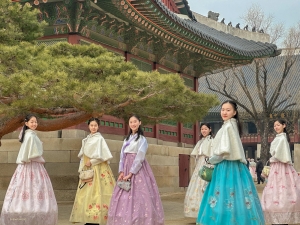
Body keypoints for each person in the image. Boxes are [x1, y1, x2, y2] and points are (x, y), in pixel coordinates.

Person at [196, 100, 264, 225]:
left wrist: (211, 160)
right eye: (222, 109)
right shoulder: (230, 126)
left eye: (228, 110)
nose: (224, 112)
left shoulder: (228, 127)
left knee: (223, 197)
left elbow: (224, 152)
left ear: (234, 112)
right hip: (236, 167)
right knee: (237, 197)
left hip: (225, 166)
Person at [0, 115, 58, 225]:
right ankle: (33, 216)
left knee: (23, 189)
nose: (34, 124)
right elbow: (33, 154)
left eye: (35, 122)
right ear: (26, 123)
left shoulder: (28, 134)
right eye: (32, 122)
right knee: (35, 188)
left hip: (26, 167)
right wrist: (41, 158)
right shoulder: (30, 136)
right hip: (33, 166)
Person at [107, 115, 164, 225]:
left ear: (139, 123)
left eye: (135, 122)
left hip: (138, 169)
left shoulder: (142, 139)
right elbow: (122, 155)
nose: (133, 124)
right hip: (126, 166)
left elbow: (140, 157)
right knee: (123, 194)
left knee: (140, 194)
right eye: (131, 122)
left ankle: (140, 219)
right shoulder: (126, 139)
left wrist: (131, 173)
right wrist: (122, 171)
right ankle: (124, 219)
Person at [70, 117, 115, 225]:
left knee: (97, 193)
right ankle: (88, 217)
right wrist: (81, 169)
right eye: (91, 125)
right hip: (87, 169)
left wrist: (92, 161)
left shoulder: (100, 139)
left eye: (95, 125)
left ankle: (97, 218)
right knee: (86, 193)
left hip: (98, 169)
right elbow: (83, 156)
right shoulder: (86, 139)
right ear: (88, 126)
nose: (93, 127)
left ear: (98, 126)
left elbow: (103, 155)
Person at [261, 119, 300, 225]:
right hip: (277, 167)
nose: (276, 127)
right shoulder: (280, 138)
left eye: (278, 125)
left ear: (284, 125)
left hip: (280, 168)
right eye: (274, 126)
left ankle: (280, 217)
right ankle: (279, 216)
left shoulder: (282, 138)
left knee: (279, 190)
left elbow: (280, 155)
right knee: (280, 190)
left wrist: (273, 159)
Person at [184, 123, 214, 218]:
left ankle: (207, 212)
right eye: (202, 129)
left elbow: (213, 154)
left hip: (207, 164)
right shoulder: (200, 141)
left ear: (210, 129)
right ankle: (197, 211)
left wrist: (210, 164)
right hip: (199, 165)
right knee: (196, 185)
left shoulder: (212, 141)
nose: (204, 131)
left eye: (206, 129)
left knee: (204, 186)